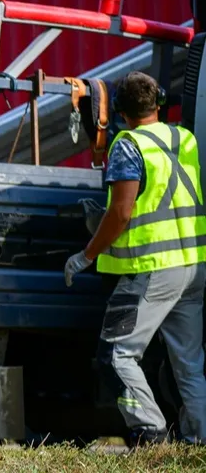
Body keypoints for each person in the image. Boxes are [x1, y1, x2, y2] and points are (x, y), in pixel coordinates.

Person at [65, 71, 206, 446]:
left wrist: (86, 254)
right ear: (159, 103)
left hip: (150, 269)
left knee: (116, 355)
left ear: (121, 111)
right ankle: (200, 440)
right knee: (189, 362)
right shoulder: (184, 138)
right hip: (191, 268)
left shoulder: (128, 145)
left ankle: (150, 432)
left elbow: (122, 212)